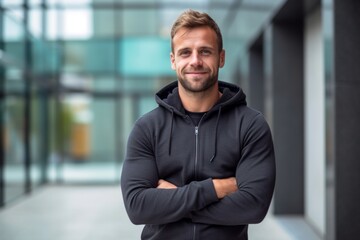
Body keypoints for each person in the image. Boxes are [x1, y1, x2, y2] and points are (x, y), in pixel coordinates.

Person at [121, 9, 276, 240]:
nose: (195, 61)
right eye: (185, 52)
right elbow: (138, 207)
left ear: (221, 58)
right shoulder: (147, 128)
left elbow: (253, 206)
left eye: (205, 51)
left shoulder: (250, 125)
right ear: (173, 61)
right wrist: (217, 189)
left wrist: (172, 202)